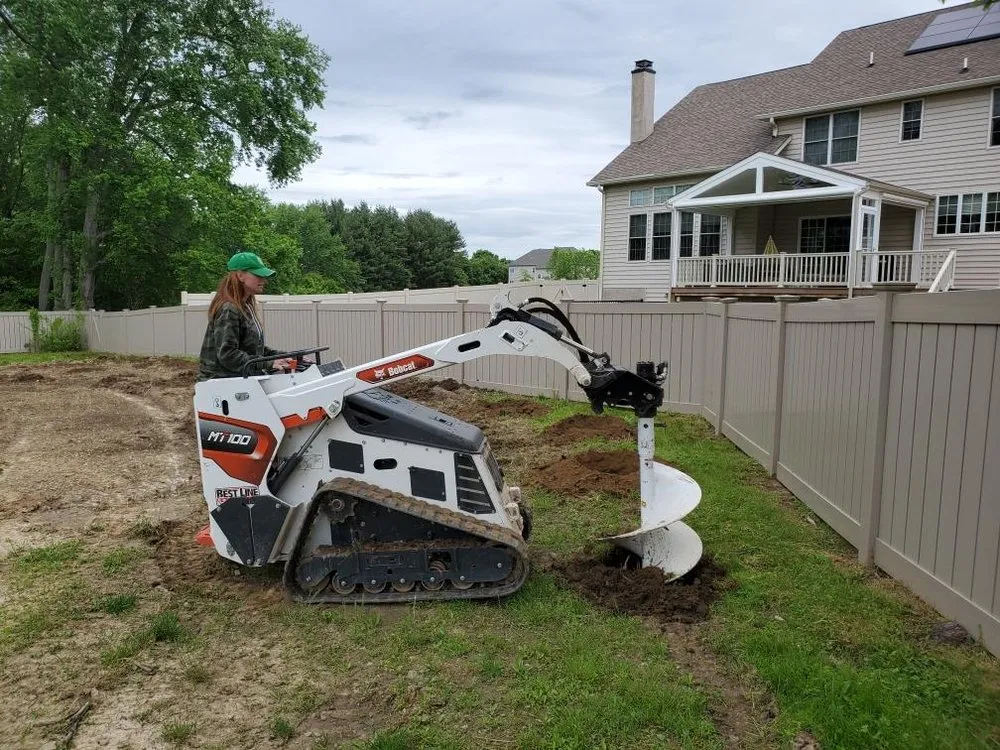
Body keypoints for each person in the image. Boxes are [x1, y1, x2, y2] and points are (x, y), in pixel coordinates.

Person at [197, 252, 293, 380]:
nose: (263, 280)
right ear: (240, 275)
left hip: (238, 381)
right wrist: (268, 363)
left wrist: (282, 356)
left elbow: (253, 349)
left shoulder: (245, 306)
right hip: (220, 384)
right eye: (258, 275)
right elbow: (228, 355)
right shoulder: (229, 309)